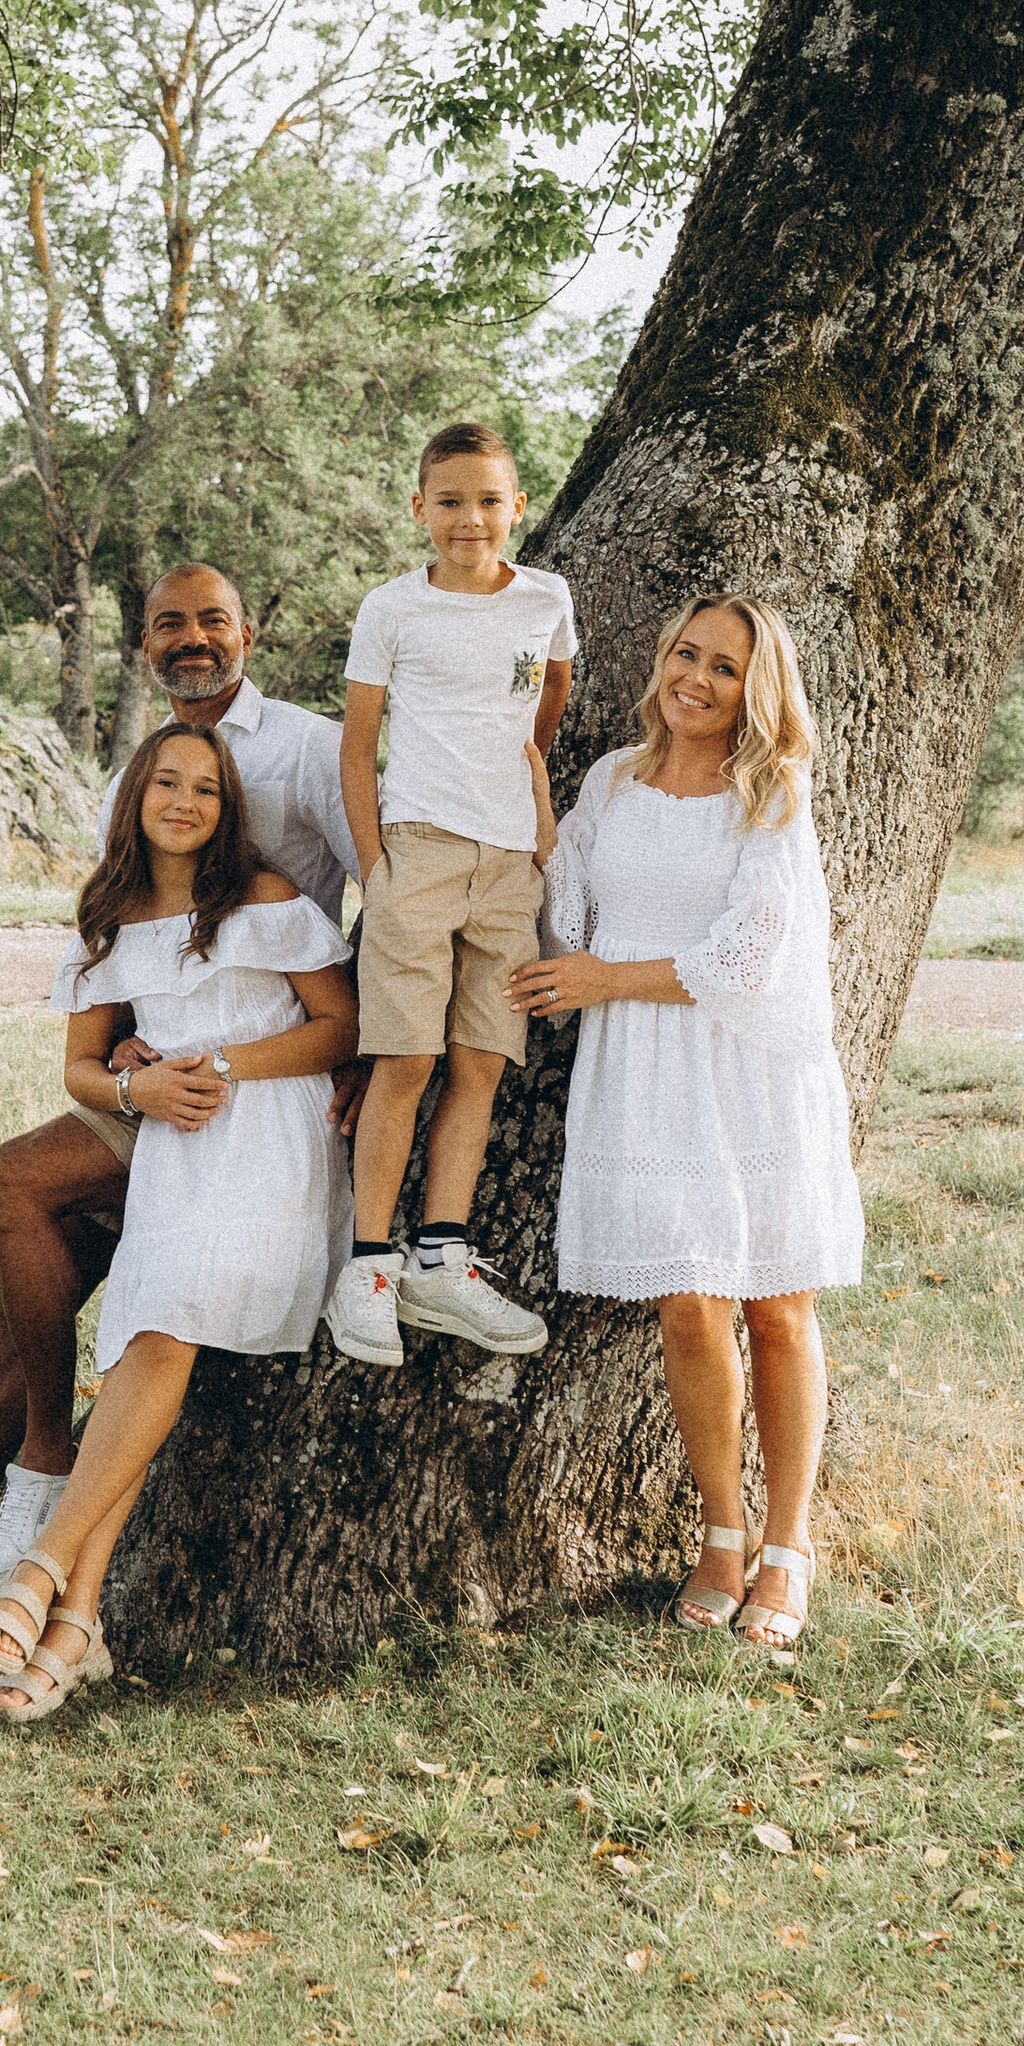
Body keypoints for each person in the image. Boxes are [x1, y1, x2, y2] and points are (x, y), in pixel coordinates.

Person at [0, 562, 356, 1629]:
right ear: (147, 646)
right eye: (170, 625)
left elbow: (378, 898)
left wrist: (364, 1062)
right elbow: (117, 963)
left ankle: (24, 1496)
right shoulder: (142, 772)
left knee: (36, 1215)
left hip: (263, 1069)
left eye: (213, 619)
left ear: (246, 630)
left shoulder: (307, 747)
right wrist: (130, 1077)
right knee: (25, 1234)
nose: (192, 639)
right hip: (153, 1071)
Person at [0, 721, 358, 1721]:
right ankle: (70, 1630)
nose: (186, 802)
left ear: (228, 813)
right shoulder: (110, 920)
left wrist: (220, 1065)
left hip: (272, 1141)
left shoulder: (264, 901)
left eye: (209, 790)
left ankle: (45, 1568)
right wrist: (139, 1097)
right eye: (168, 784)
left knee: (163, 1325)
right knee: (149, 1338)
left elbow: (341, 1026)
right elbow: (81, 1069)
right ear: (134, 796)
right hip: (177, 1148)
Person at [508, 592, 859, 1649]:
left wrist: (604, 978)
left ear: (758, 691)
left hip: (748, 1065)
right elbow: (564, 916)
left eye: (725, 669)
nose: (696, 681)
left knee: (777, 1308)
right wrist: (533, 801)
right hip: (642, 1074)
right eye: (687, 656)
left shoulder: (771, 790)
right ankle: (721, 1531)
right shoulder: (611, 780)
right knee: (690, 1309)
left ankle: (787, 1548)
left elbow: (751, 959)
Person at [325, 419, 573, 1368]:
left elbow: (545, 705)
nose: (470, 519)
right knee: (406, 1056)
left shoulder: (546, 598)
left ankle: (441, 1260)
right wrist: (374, 864)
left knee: (480, 1058)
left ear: (518, 508)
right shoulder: (393, 609)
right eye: (450, 501)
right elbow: (358, 746)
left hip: (509, 864)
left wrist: (536, 808)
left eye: (489, 501)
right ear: (419, 509)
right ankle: (368, 1270)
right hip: (416, 853)